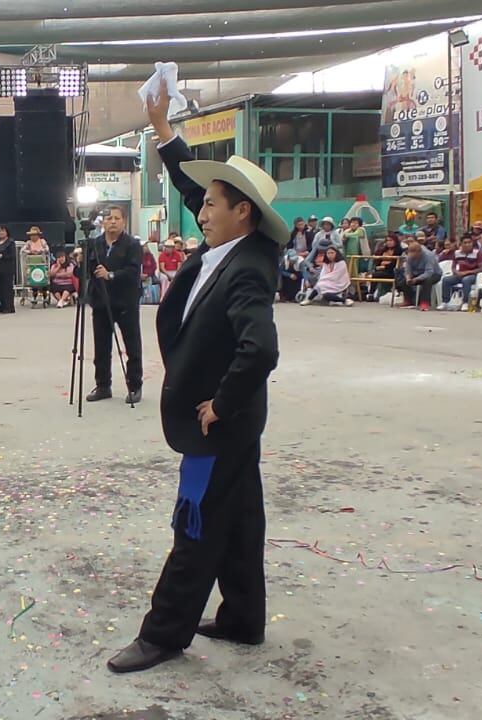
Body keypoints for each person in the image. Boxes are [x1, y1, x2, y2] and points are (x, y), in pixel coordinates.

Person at [107, 96, 283, 675]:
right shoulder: (227, 241)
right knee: (242, 514)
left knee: (196, 522)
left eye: (211, 205)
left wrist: (221, 404)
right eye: (202, 203)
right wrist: (162, 129)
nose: (199, 212)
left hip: (220, 423)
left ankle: (163, 633)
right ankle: (242, 618)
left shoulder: (250, 266)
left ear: (244, 214)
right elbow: (190, 187)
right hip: (230, 421)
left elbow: (261, 349)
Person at [83, 205, 143, 404]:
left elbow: (133, 272)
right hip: (101, 302)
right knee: (101, 347)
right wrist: (80, 262)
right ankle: (103, 385)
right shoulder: (95, 244)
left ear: (124, 221)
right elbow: (86, 273)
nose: (112, 221)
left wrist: (110, 275)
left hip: (125, 302)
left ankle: (134, 385)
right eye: (109, 218)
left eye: (117, 218)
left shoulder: (132, 244)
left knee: (132, 346)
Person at [395, 238, 442, 310]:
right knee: (404, 281)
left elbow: (429, 272)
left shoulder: (429, 256)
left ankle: (425, 303)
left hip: (434, 274)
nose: (411, 256)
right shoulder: (409, 256)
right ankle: (408, 300)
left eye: (414, 253)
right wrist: (408, 278)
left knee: (427, 281)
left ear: (419, 252)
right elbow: (408, 270)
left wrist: (416, 279)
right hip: (418, 273)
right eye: (410, 253)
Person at [439, 236, 482, 309]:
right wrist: (456, 272)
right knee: (446, 280)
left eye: (469, 242)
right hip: (460, 274)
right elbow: (453, 267)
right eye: (465, 243)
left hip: (473, 275)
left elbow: (481, 268)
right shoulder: (457, 253)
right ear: (461, 244)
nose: (467, 244)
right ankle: (445, 302)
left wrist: (468, 272)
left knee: (466, 280)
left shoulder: (477, 253)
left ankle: (465, 302)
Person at [0, 225, 18, 314]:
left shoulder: (10, 242)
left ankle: (9, 307)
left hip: (7, 268)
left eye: (3, 231)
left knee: (7, 288)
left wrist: (0, 255)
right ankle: (2, 306)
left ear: (6, 232)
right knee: (0, 288)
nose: (1, 233)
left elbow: (12, 255)